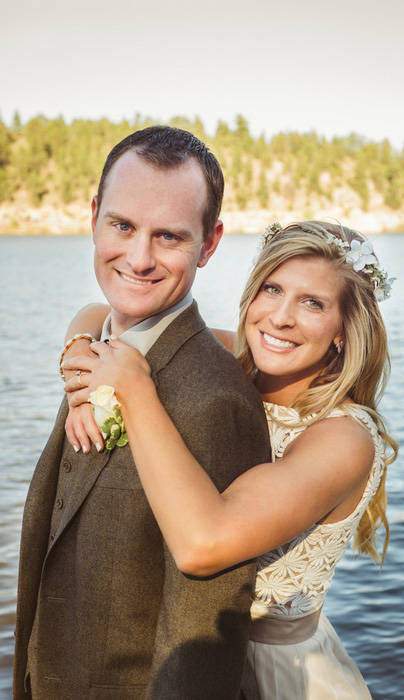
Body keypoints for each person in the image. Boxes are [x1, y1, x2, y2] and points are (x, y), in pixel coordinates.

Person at [62, 220, 397, 699]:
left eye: (312, 303)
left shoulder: (343, 438)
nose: (280, 317)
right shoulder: (235, 361)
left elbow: (203, 546)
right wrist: (80, 370)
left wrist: (135, 391)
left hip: (278, 674)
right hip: (178, 648)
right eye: (272, 289)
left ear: (344, 329)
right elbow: (99, 313)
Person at [13, 126, 272, 700]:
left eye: (169, 237)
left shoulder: (216, 400)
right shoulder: (94, 351)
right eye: (122, 225)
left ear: (208, 244)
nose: (139, 258)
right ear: (93, 216)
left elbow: (201, 633)